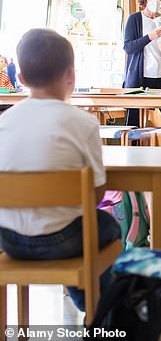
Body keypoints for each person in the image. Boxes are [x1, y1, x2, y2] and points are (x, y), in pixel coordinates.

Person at [0, 29, 121, 312]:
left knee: (78, 223)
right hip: (63, 240)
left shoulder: (3, 123)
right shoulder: (83, 123)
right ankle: (95, 307)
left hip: (8, 239)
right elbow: (96, 192)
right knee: (107, 225)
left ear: (21, 79)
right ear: (71, 75)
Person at [123, 0, 161, 127]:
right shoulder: (134, 19)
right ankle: (131, 149)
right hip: (139, 79)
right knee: (133, 124)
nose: (155, 0)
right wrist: (150, 36)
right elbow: (128, 47)